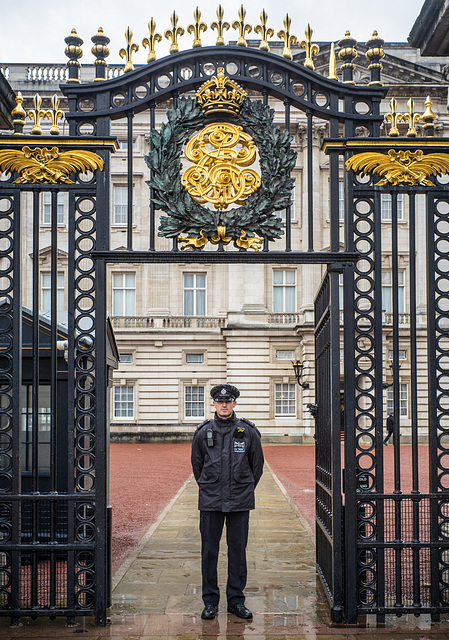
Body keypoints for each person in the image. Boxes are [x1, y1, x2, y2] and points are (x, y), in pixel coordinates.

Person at [191, 383, 264, 621]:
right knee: (209, 552)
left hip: (240, 502)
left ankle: (236, 601)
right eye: (220, 401)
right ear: (213, 403)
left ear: (234, 403)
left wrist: (243, 489)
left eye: (228, 401)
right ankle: (210, 601)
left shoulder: (248, 431)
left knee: (237, 553)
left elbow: (257, 467)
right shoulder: (203, 432)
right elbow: (197, 466)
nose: (224, 405)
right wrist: (210, 486)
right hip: (211, 501)